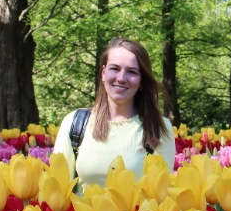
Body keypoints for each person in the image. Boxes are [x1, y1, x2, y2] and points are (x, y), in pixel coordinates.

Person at [53, 38, 175, 191]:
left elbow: (160, 195)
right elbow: (57, 187)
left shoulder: (158, 128)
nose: (121, 78)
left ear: (141, 81)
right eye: (115, 69)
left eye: (132, 72)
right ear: (103, 73)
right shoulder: (75, 123)